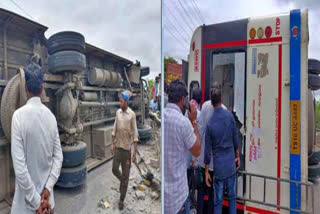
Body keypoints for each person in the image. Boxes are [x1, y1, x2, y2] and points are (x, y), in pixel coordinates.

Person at [11, 62, 63, 214]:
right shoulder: (51, 118)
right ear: (42, 88)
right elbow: (58, 157)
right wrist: (47, 189)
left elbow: (20, 170)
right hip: (48, 203)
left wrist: (35, 202)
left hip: (26, 206)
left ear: (25, 88)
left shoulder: (18, 117)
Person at [164, 79, 201, 214]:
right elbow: (197, 150)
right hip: (178, 198)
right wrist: (194, 121)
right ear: (183, 99)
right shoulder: (183, 123)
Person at [204, 88, 240, 214]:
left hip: (218, 167)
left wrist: (207, 171)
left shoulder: (210, 123)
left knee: (218, 202)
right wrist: (237, 155)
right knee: (232, 198)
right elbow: (235, 138)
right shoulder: (230, 117)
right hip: (230, 164)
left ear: (212, 103)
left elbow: (207, 150)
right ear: (221, 100)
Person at [196, 84, 227, 214]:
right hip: (217, 163)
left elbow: (200, 129)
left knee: (201, 191)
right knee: (214, 194)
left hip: (204, 160)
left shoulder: (204, 107)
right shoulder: (224, 110)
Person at [111, 90, 139, 210]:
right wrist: (112, 144)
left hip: (127, 150)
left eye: (121, 101)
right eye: (119, 101)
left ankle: (121, 199)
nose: (120, 103)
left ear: (126, 102)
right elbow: (114, 128)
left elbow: (135, 134)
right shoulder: (118, 113)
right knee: (114, 169)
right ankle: (123, 181)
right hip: (118, 148)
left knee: (126, 176)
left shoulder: (131, 115)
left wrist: (134, 152)